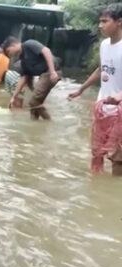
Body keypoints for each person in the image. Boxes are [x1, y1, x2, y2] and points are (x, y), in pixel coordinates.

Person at [68, 4, 122, 175]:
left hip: (120, 112)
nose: (100, 25)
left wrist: (119, 96)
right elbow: (101, 69)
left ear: (119, 22)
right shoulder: (104, 45)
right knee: (96, 152)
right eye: (99, 21)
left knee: (117, 158)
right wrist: (81, 89)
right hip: (103, 108)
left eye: (105, 21)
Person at [2, 36, 61, 120]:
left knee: (33, 102)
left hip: (49, 73)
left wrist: (52, 71)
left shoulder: (29, 44)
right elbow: (24, 78)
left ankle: (49, 122)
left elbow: (46, 51)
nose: (10, 54)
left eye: (8, 51)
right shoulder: (22, 60)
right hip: (44, 76)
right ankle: (35, 126)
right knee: (33, 109)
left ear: (13, 45)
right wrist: (14, 97)